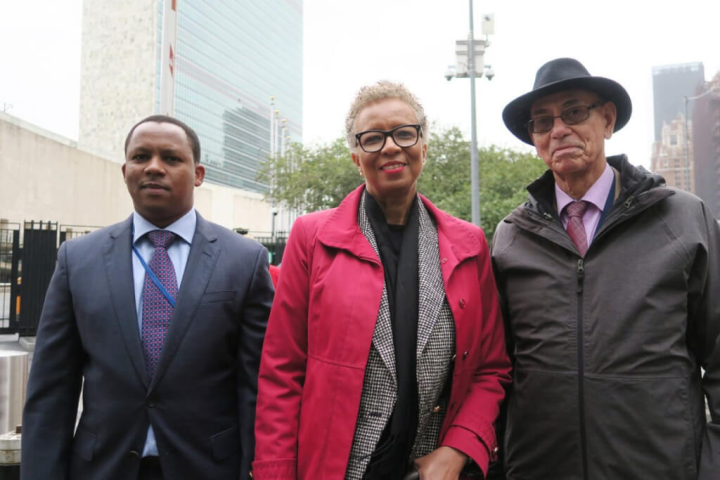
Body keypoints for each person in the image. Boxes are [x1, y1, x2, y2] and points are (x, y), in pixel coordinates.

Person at [253, 81, 511, 480]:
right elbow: (281, 372)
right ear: (356, 157)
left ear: (423, 146)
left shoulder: (469, 244)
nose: (390, 147)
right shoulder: (311, 238)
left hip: (433, 469)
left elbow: (491, 368)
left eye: (404, 133)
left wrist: (459, 447)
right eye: (372, 138)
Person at [492, 58, 720, 479]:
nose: (558, 129)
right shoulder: (511, 238)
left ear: (608, 119)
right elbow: (497, 370)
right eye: (542, 122)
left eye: (574, 112)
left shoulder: (685, 220)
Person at [21, 115, 273, 480]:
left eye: (171, 158)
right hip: (101, 467)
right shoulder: (76, 260)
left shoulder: (244, 260)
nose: (154, 167)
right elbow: (51, 390)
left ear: (198, 174)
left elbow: (256, 387)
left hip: (208, 467)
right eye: (141, 157)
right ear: (125, 171)